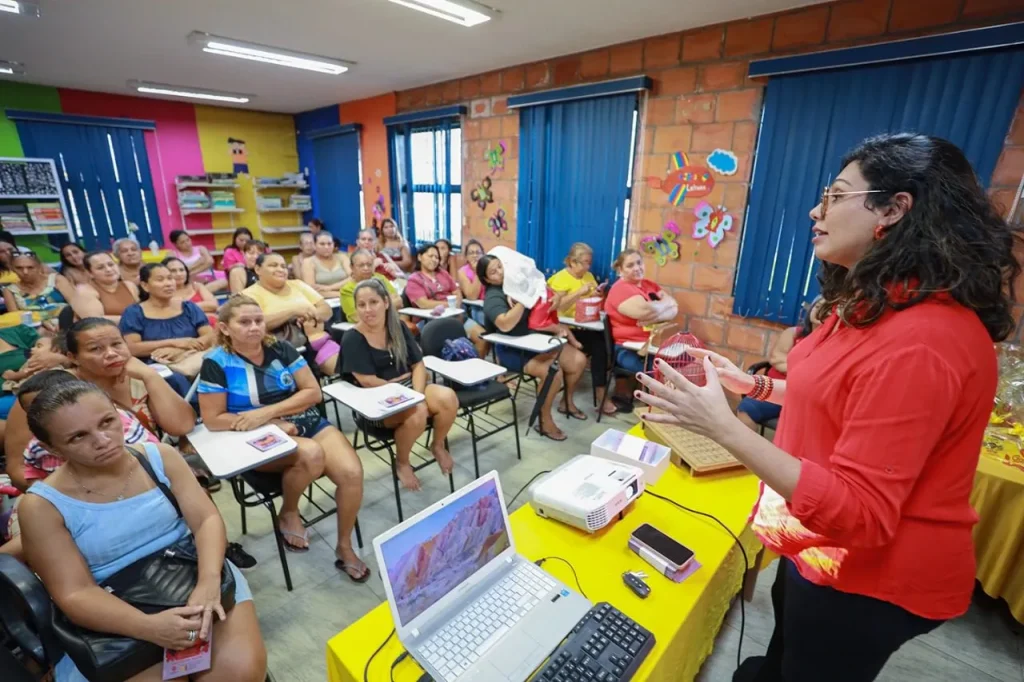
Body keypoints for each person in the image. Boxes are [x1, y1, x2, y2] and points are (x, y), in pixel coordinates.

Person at [635, 133, 1019, 682]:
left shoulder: (924, 340)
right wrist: (756, 387)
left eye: (836, 196)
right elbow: (850, 399)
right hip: (816, 543)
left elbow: (862, 512)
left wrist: (724, 429)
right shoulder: (875, 303)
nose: (816, 210)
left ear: (894, 208)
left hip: (872, 574)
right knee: (781, 655)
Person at [18, 380, 266, 682]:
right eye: (78, 437)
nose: (103, 440)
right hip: (114, 605)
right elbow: (76, 592)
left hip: (193, 570)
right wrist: (148, 627)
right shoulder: (42, 506)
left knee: (238, 674)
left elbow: (206, 520)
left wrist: (209, 581)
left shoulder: (158, 457)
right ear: (51, 448)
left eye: (108, 421)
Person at [199, 296, 368, 580]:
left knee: (352, 473)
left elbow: (312, 393)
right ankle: (289, 511)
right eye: (244, 322)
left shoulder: (280, 348)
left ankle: (344, 546)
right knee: (312, 455)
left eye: (258, 320)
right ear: (225, 328)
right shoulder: (216, 362)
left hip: (299, 421)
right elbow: (213, 419)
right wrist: (268, 423)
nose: (254, 327)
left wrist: (267, 414)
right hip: (251, 436)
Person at [342, 279, 458, 491]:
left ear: (386, 303)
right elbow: (367, 381)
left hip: (406, 387)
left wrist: (416, 394)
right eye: (361, 305)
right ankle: (402, 462)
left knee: (447, 397)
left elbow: (418, 364)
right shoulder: (352, 338)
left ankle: (437, 444)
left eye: (374, 302)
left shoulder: (399, 328)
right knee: (417, 413)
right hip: (373, 400)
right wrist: (406, 394)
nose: (368, 310)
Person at [478, 254, 587, 440]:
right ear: (487, 279)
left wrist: (553, 298)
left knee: (578, 360)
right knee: (553, 373)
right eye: (493, 272)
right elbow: (505, 324)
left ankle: (566, 402)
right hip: (511, 349)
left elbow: (543, 292)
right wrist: (523, 301)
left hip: (536, 341)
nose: (500, 273)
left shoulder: (517, 282)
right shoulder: (493, 296)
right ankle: (544, 419)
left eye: (500, 266)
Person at [243, 252, 340, 376]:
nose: (280, 269)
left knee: (349, 373)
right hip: (280, 352)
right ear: (258, 269)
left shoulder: (298, 284)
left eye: (283, 266)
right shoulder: (248, 295)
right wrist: (292, 312)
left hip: (318, 340)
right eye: (273, 265)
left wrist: (308, 315)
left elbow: (326, 310)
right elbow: (256, 324)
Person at [737, 298, 824, 433]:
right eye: (817, 306)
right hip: (776, 387)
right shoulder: (794, 333)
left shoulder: (832, 343)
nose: (819, 311)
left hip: (803, 396)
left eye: (825, 309)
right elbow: (777, 359)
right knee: (746, 408)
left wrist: (791, 367)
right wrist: (804, 371)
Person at [548, 242, 616, 416]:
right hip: (564, 328)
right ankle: (570, 399)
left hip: (586, 326)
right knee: (590, 351)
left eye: (589, 263)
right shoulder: (560, 279)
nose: (588, 266)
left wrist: (597, 294)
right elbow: (554, 307)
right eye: (585, 262)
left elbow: (593, 299)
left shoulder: (588, 276)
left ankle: (600, 393)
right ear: (572, 262)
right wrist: (579, 292)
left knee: (602, 346)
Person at [120, 264, 213, 389]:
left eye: (170, 278)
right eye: (160, 280)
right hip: (155, 365)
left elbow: (209, 336)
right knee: (173, 379)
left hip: (192, 358)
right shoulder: (134, 313)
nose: (168, 283)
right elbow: (132, 347)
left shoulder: (189, 307)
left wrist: (180, 351)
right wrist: (176, 343)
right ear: (145, 286)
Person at [604, 248, 678, 376]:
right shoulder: (620, 289)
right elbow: (644, 312)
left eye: (639, 263)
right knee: (661, 374)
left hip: (652, 347)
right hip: (628, 350)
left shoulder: (649, 285)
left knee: (682, 366)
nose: (637, 268)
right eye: (630, 265)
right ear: (621, 270)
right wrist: (664, 306)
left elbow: (674, 308)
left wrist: (653, 314)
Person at [406, 244, 488, 356]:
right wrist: (449, 305)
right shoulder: (414, 279)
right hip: (430, 321)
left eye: (437, 257)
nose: (434, 260)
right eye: (430, 256)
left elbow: (456, 291)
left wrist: (456, 307)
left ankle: (474, 371)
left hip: (456, 317)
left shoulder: (443, 273)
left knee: (482, 337)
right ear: (420, 257)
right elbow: (423, 303)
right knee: (449, 349)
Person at [3, 252, 73, 323]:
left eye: (30, 267)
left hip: (68, 322)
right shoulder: (9, 290)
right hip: (35, 328)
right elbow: (16, 319)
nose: (25, 272)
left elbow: (75, 305)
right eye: (19, 268)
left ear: (39, 267)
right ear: (12, 269)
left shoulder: (56, 280)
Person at [72, 251, 139, 322]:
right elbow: (95, 321)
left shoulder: (129, 285)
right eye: (100, 268)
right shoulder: (84, 291)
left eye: (111, 264)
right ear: (90, 273)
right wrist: (135, 320)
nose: (108, 269)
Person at [340, 249, 402, 323]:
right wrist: (388, 306)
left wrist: (373, 311)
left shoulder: (380, 278)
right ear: (352, 267)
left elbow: (398, 301)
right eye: (361, 265)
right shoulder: (347, 290)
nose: (366, 268)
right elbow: (358, 317)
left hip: (390, 323)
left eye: (369, 265)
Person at [164, 256, 218, 327]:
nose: (179, 274)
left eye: (181, 270)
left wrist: (185, 307)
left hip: (212, 323)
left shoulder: (196, 286)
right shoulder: (164, 292)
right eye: (173, 271)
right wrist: (203, 311)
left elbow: (213, 305)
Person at [169, 230, 227, 295]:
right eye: (182, 242)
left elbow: (210, 262)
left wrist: (190, 272)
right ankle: (198, 294)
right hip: (190, 281)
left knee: (226, 280)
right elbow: (175, 271)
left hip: (208, 277)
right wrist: (199, 262)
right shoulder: (173, 254)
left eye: (188, 240)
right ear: (176, 244)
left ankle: (197, 294)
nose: (187, 243)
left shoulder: (201, 248)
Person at [301, 231, 351, 296]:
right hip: (325, 300)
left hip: (347, 296)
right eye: (322, 244)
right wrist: (341, 294)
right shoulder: (308, 262)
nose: (326, 247)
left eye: (329, 244)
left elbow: (353, 278)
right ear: (314, 245)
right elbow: (312, 290)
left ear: (333, 244)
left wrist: (329, 288)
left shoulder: (342, 257)